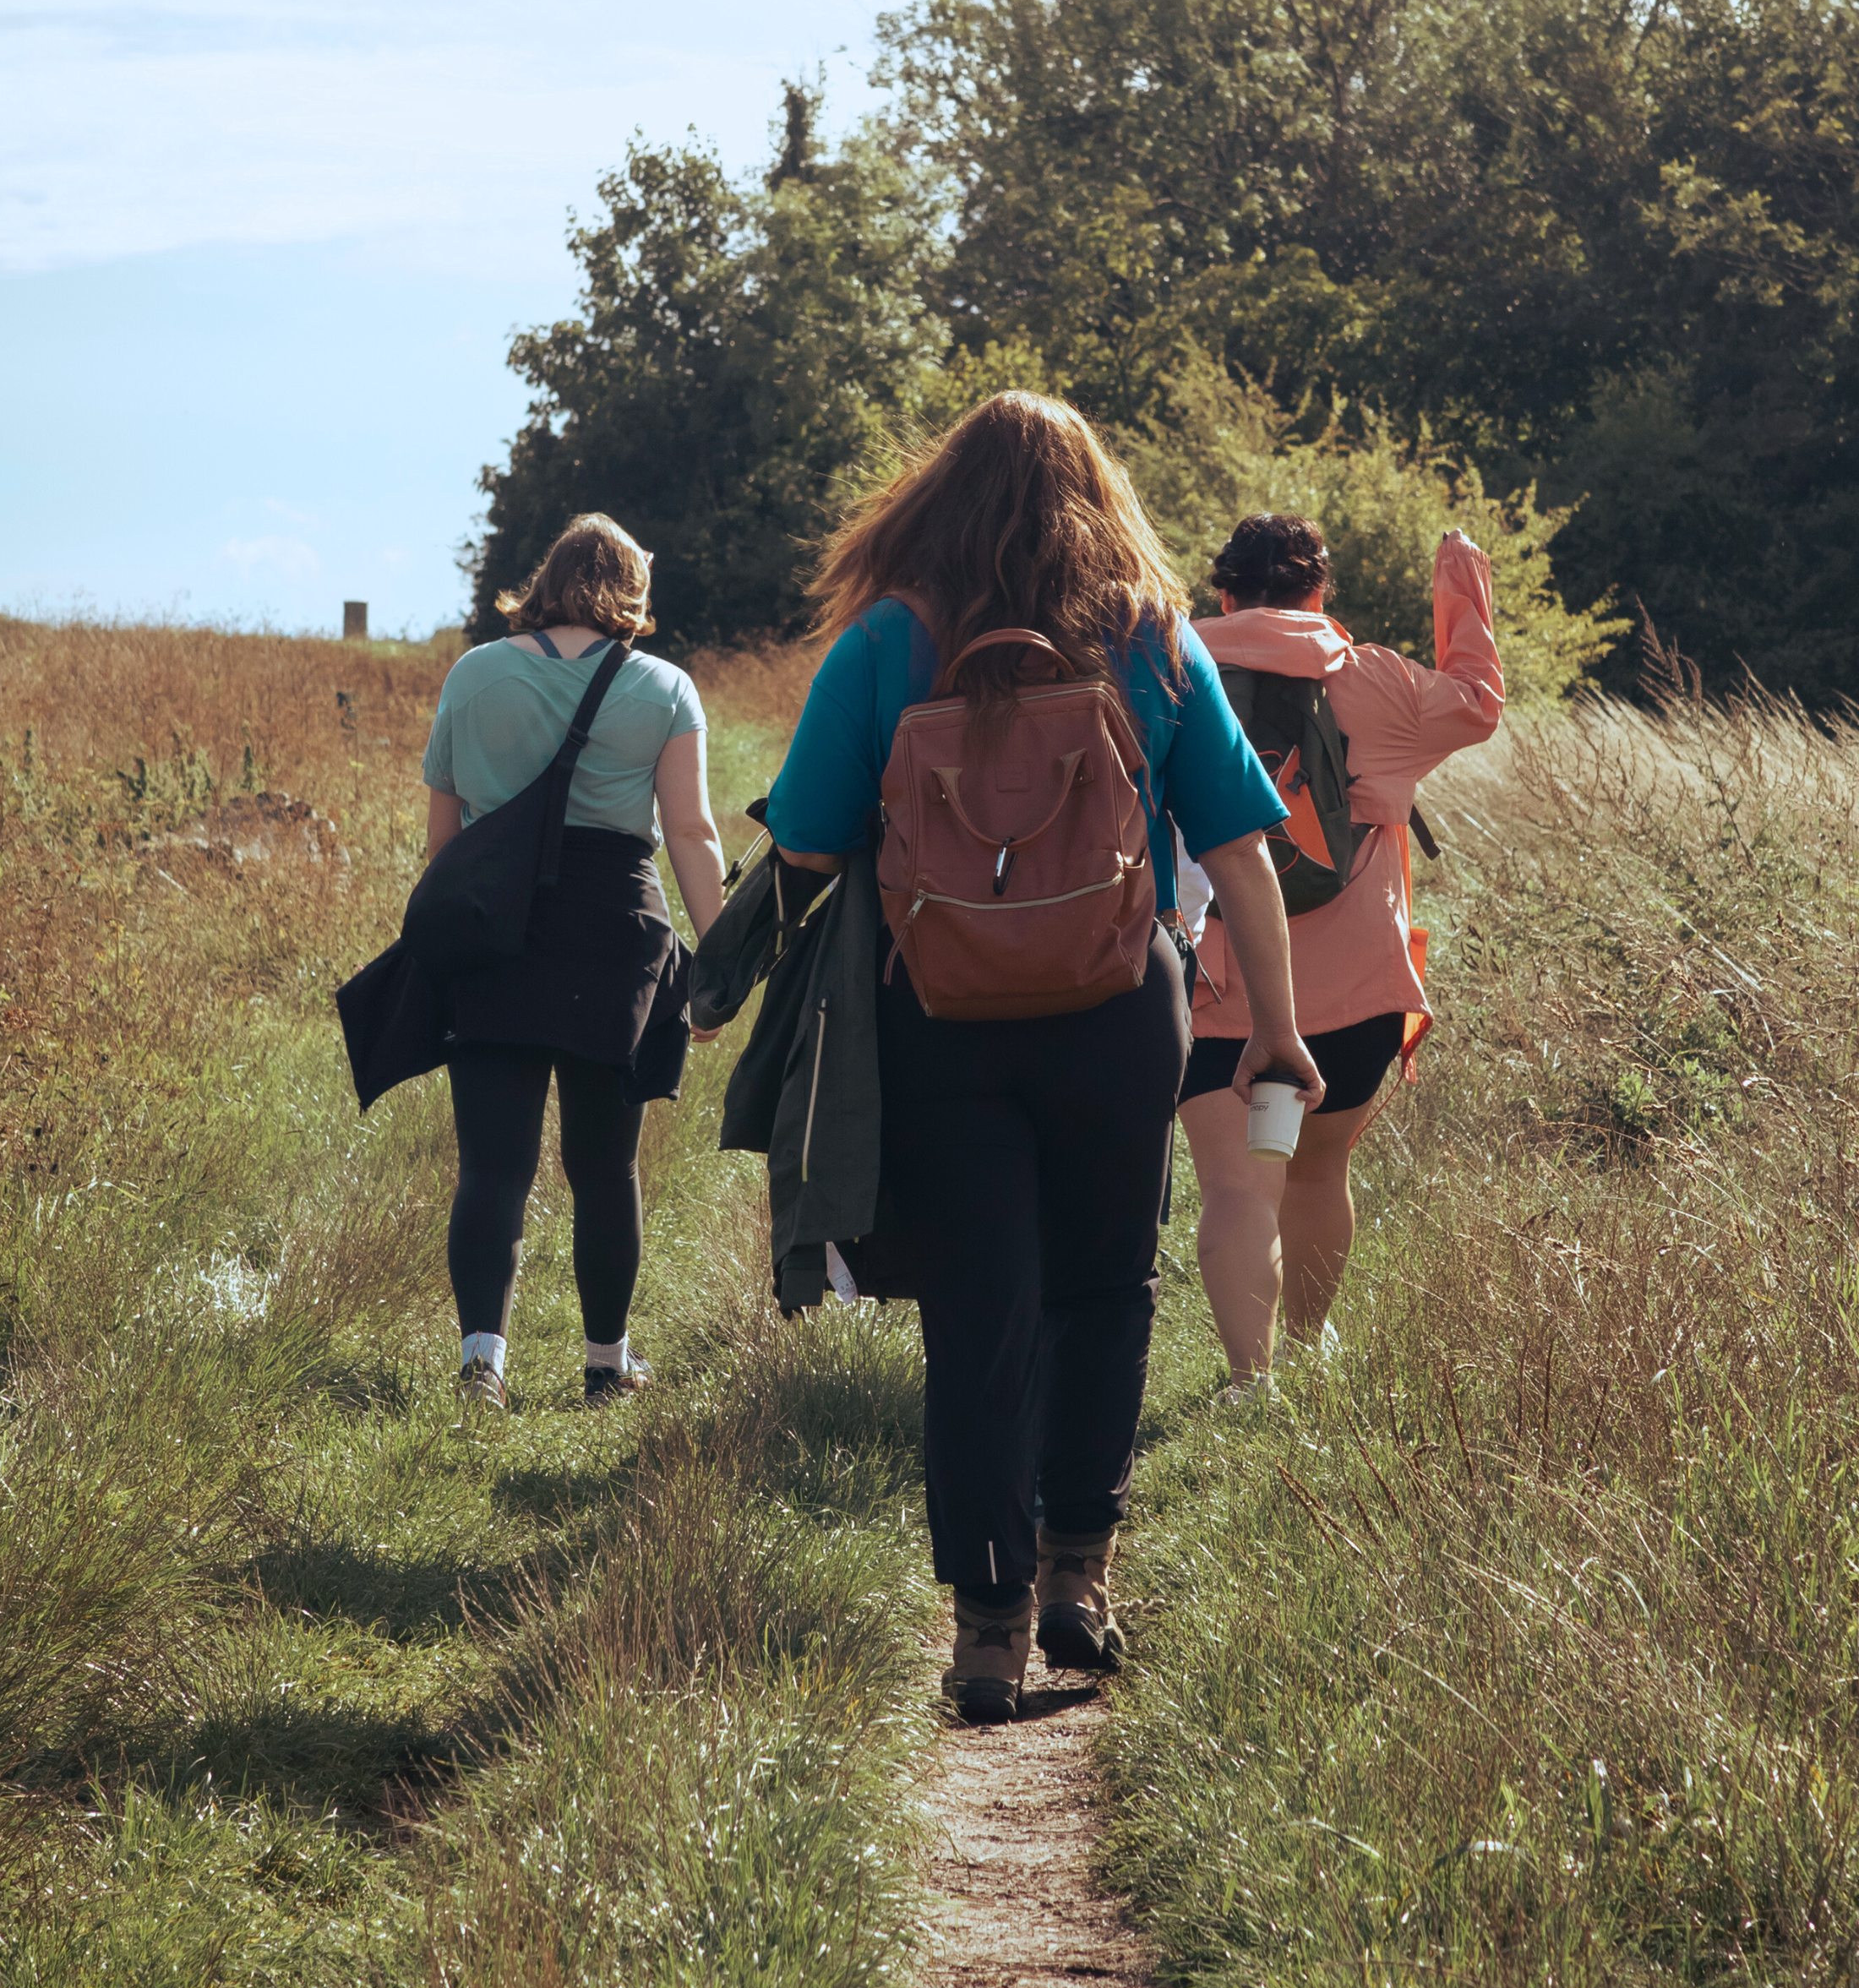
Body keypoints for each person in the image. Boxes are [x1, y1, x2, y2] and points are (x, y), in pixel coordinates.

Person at [762, 393, 1321, 1723]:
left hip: (938, 1021)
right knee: (1104, 1287)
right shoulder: (1151, 638)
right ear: (1098, 495)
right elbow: (1244, 849)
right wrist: (1281, 1034)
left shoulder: (885, 642)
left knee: (978, 1318)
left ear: (934, 500)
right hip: (1118, 1013)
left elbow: (804, 845)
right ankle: (1081, 1568)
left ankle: (986, 1632)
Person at [1180, 514, 1502, 1387]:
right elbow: (1477, 700)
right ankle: (1311, 1343)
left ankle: (1252, 1382)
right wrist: (1460, 578)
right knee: (1318, 1171)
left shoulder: (1172, 673)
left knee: (1239, 1187)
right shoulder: (1378, 681)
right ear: (1319, 592)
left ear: (1223, 592)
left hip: (1216, 987)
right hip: (1357, 987)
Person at [422, 514, 726, 1413]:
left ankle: (484, 1364)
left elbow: (443, 842)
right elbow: (691, 833)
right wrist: (717, 963)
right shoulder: (664, 687)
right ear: (633, 588)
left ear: (545, 579)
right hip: (612, 933)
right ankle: (606, 1365)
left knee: (491, 1164)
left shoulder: (474, 673)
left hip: (491, 926)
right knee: (605, 1168)